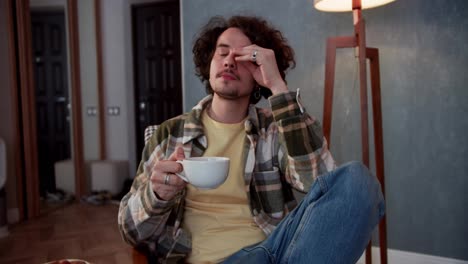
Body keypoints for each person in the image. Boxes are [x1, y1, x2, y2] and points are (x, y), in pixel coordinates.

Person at [118, 15, 385, 264]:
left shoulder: (274, 128)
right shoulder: (169, 134)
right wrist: (156, 195)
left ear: (259, 72)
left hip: (277, 251)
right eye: (222, 52)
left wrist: (278, 86)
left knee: (358, 181)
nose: (229, 61)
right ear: (208, 64)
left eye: (244, 57)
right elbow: (130, 231)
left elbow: (321, 183)